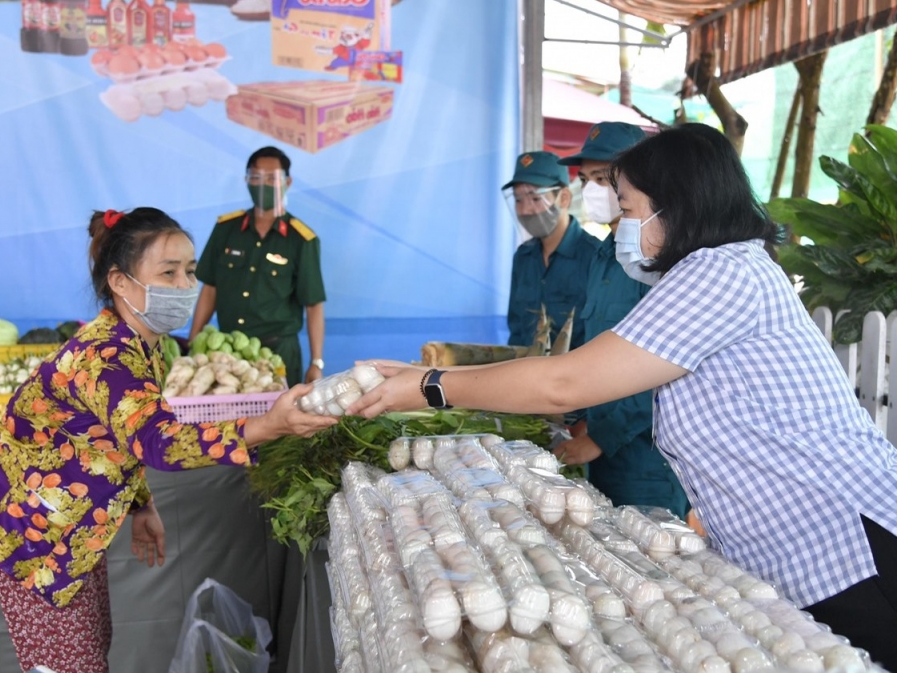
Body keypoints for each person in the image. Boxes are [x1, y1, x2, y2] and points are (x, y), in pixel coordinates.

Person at [350, 124, 897, 668]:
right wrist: (425, 372)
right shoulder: (709, 272)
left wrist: (432, 387)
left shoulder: (722, 272)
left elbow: (565, 381)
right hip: (798, 548)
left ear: (676, 206)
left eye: (630, 210)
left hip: (847, 543)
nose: (621, 228)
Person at [0, 207, 336, 673]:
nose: (185, 286)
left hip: (76, 525)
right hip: (32, 531)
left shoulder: (152, 344)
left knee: (92, 648)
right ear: (120, 282)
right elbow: (158, 441)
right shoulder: (104, 356)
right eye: (168, 272)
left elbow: (123, 435)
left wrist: (142, 504)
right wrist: (269, 425)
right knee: (67, 666)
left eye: (190, 271)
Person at [554, 121, 689, 519]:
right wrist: (576, 418)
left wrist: (599, 437)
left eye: (603, 178)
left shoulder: (659, 263)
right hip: (595, 453)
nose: (592, 190)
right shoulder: (602, 256)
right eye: (585, 179)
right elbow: (585, 347)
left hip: (646, 462)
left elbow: (663, 368)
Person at [189, 146, 326, 386]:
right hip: (228, 353)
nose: (263, 184)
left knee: (281, 421)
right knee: (231, 422)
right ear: (246, 180)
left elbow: (313, 305)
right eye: (256, 177)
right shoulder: (226, 229)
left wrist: (316, 362)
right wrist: (193, 341)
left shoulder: (302, 239)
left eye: (272, 178)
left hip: (279, 353)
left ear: (288, 181)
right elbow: (210, 288)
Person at [503, 150, 599, 349]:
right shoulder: (523, 257)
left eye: (535, 199)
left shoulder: (595, 257)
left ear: (564, 198)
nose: (525, 210)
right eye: (518, 200)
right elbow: (516, 333)